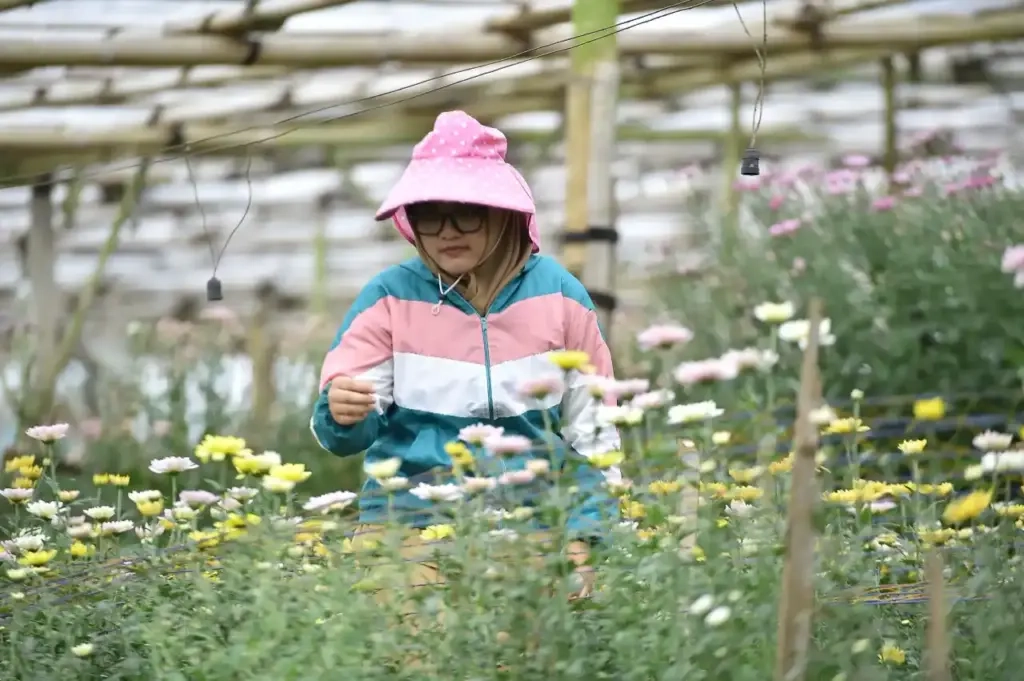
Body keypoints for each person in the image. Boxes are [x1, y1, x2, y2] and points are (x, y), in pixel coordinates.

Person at [310, 110, 620, 599]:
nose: (447, 231)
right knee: (415, 634)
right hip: (408, 521)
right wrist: (343, 411)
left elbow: (594, 431)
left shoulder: (560, 295)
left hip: (536, 519)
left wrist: (587, 533)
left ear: (503, 213)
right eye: (430, 214)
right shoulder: (389, 298)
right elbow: (342, 430)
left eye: (466, 211)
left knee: (526, 640)